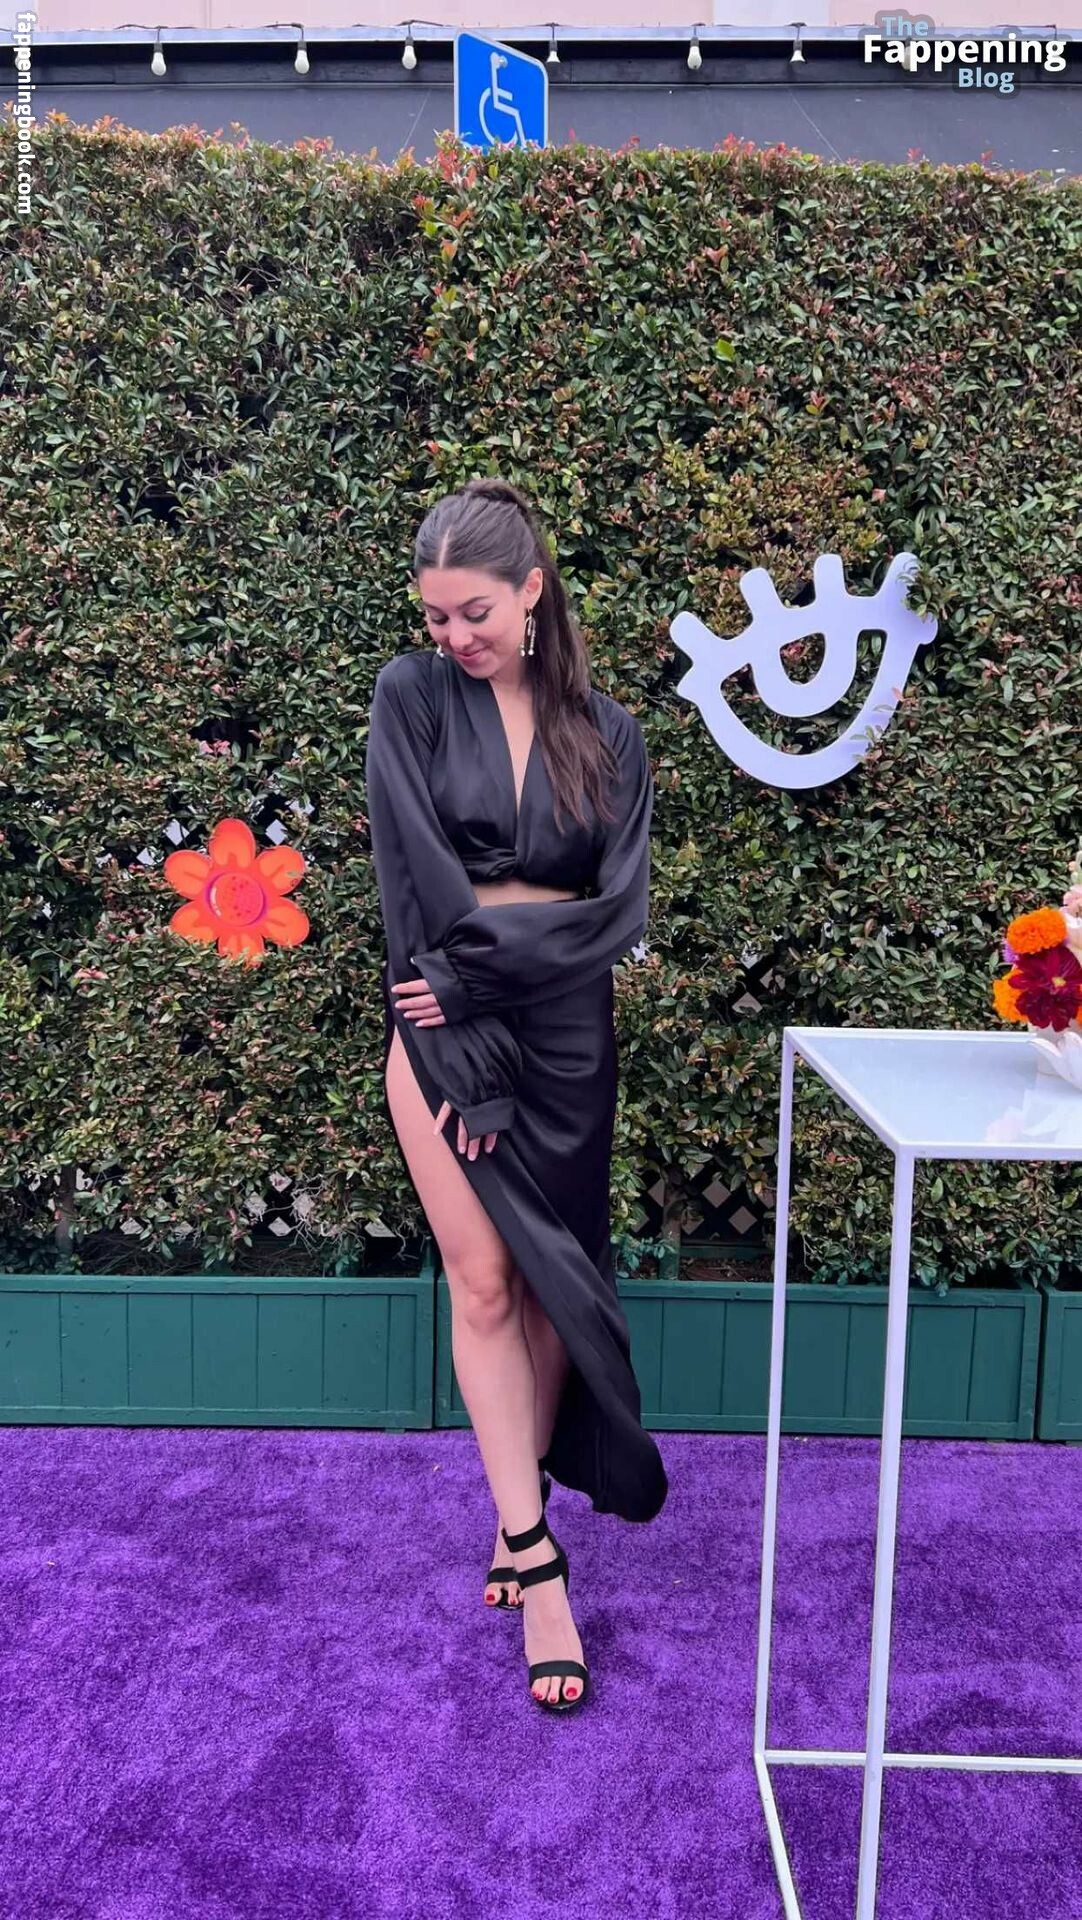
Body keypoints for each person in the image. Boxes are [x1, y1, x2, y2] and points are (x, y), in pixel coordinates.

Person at [365, 476, 668, 1716]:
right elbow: (413, 873)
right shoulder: (406, 697)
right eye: (436, 615)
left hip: (566, 1037)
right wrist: (467, 990)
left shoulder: (609, 732)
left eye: (474, 612)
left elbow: (616, 913)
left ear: (531, 590)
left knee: (547, 1280)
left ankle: (517, 1502)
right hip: (441, 1015)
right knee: (483, 1279)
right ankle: (538, 1564)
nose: (453, 636)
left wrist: (498, 956)